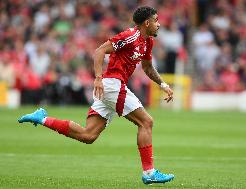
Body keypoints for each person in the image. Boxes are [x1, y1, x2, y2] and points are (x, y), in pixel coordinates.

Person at [18, 6, 174, 184]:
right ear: (147, 23)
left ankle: (41, 119)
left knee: (88, 135)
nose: (159, 24)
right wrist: (98, 78)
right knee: (146, 122)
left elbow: (147, 67)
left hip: (112, 87)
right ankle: (149, 173)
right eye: (156, 20)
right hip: (111, 85)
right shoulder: (130, 36)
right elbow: (99, 51)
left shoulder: (148, 42)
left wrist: (163, 84)